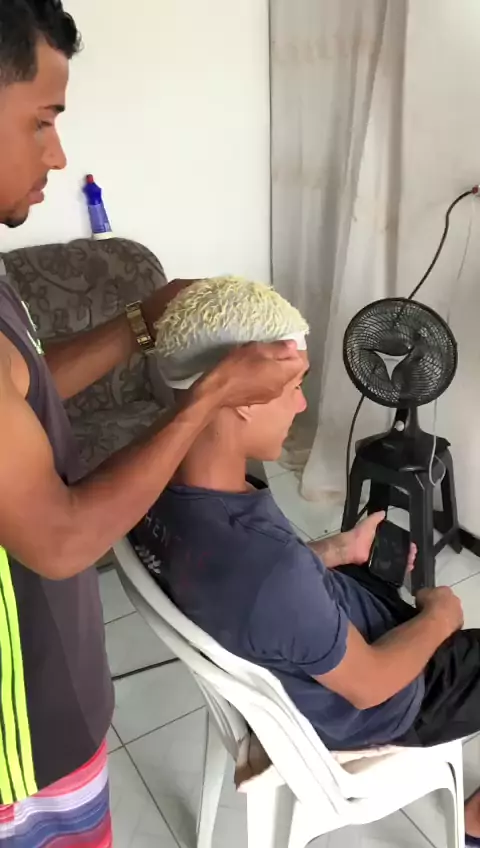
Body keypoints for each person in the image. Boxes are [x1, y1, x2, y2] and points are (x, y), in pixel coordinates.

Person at [0, 3, 305, 846]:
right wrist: (206, 396)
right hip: (19, 735)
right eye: (42, 121)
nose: (58, 154)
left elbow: (26, 386)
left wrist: (141, 321)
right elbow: (62, 540)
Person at [132, 275, 480, 847]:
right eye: (293, 386)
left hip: (314, 629)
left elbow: (267, 588)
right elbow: (369, 685)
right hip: (387, 699)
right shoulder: (269, 574)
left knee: (378, 573)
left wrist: (337, 551)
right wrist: (441, 617)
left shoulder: (150, 482)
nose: (300, 404)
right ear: (241, 399)